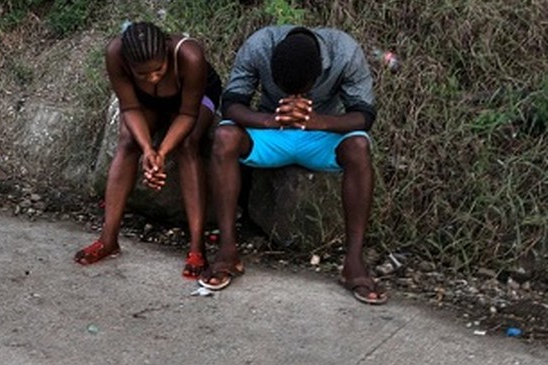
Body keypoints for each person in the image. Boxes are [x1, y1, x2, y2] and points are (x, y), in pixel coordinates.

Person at [200, 25, 387, 304]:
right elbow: (232, 104)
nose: (296, 98)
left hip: (321, 135)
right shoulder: (259, 45)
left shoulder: (344, 52)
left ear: (318, 74)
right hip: (271, 132)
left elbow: (364, 115)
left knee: (359, 147)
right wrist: (271, 120)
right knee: (225, 136)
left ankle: (353, 263)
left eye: (303, 91)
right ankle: (227, 249)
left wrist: (315, 121)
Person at [74, 21, 222, 279]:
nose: (152, 77)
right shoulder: (115, 54)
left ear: (166, 52)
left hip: (194, 99)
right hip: (148, 102)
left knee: (188, 145)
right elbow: (129, 107)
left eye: (159, 70)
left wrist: (161, 152)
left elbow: (187, 114)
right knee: (127, 141)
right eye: (142, 74)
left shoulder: (189, 56)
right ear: (129, 65)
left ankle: (197, 249)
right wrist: (147, 150)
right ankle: (108, 239)